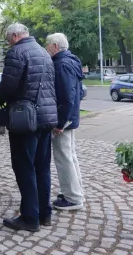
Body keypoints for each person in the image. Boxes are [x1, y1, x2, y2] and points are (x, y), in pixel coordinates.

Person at [0, 23, 57, 232]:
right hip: (46, 118)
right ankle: (44, 213)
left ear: (14, 36)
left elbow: (8, 86)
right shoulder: (44, 52)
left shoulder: (17, 52)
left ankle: (30, 218)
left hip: (26, 120)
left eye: (7, 39)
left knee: (24, 167)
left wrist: (0, 98)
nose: (8, 43)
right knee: (42, 167)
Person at [45, 33, 85, 211]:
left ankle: (73, 198)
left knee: (64, 158)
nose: (46, 48)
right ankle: (74, 191)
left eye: (47, 45)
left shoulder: (61, 64)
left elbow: (67, 97)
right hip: (70, 117)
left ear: (55, 46)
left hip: (65, 119)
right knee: (70, 156)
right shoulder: (71, 61)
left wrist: (60, 123)